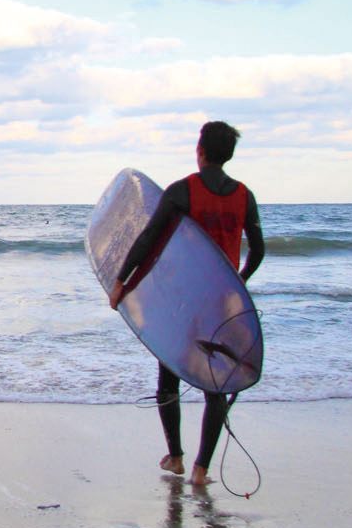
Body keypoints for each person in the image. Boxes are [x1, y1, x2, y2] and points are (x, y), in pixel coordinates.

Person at [108, 121, 265, 487]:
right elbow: (257, 251)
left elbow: (149, 239)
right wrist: (238, 284)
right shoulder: (245, 196)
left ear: (200, 150)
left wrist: (121, 283)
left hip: (183, 300)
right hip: (223, 304)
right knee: (216, 387)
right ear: (227, 154)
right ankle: (201, 470)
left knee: (170, 373)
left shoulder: (183, 191)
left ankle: (175, 456)